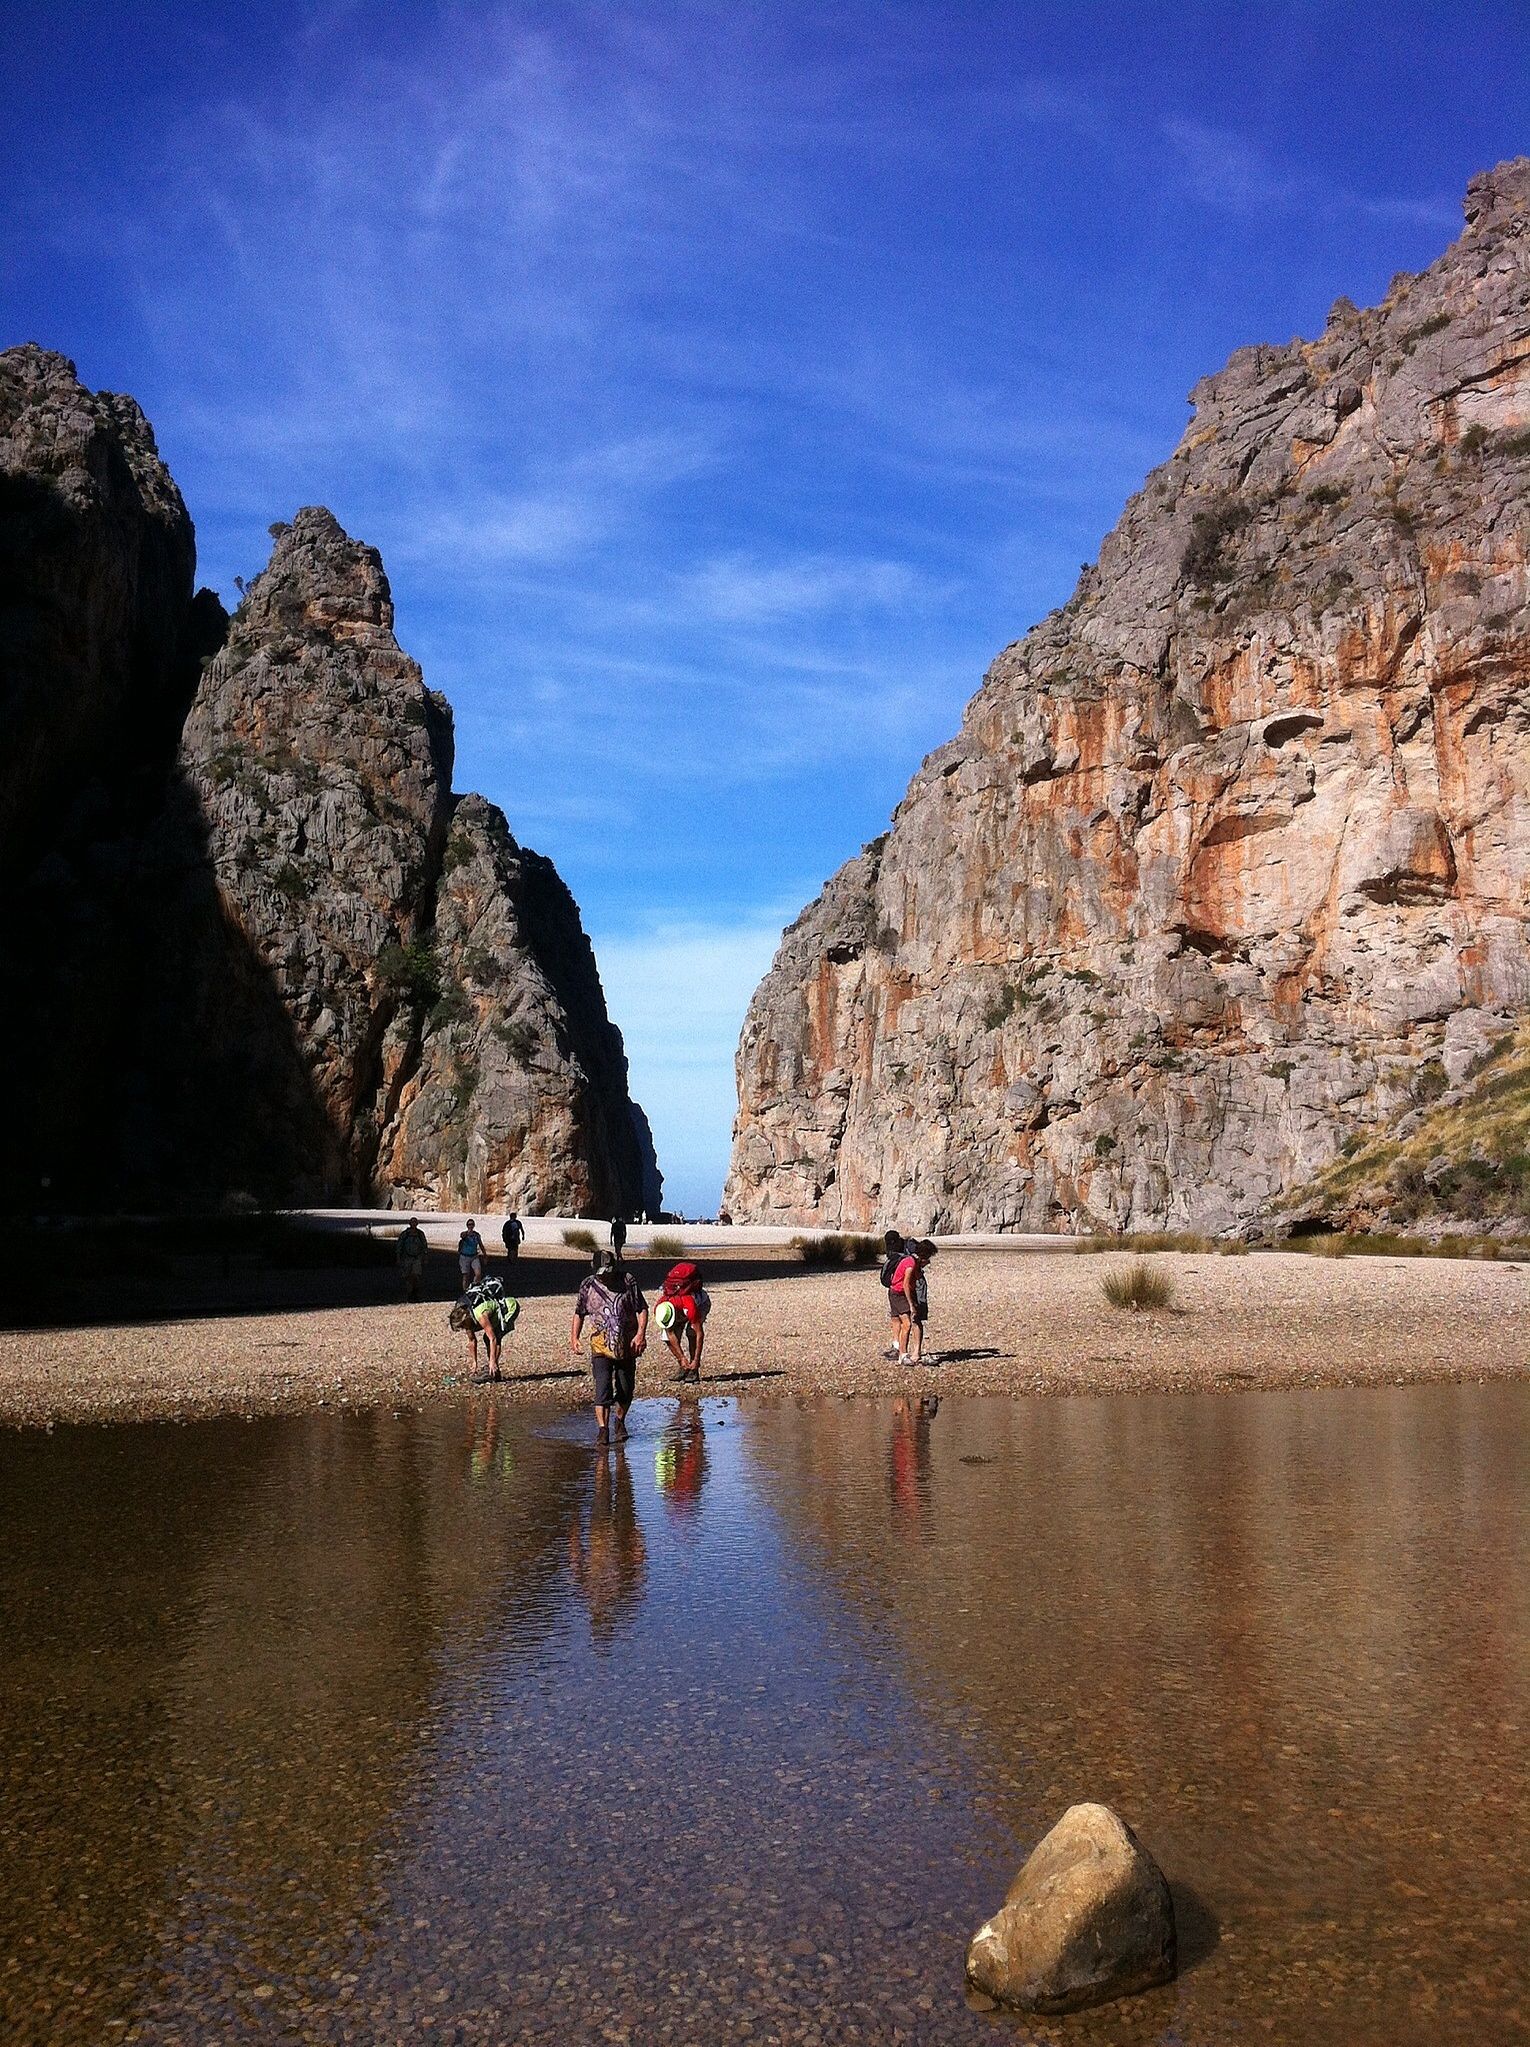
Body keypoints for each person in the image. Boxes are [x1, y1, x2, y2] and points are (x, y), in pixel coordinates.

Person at [571, 1250, 648, 1446]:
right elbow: (579, 1313)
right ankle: (603, 1430)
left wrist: (641, 1334)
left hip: (627, 1344)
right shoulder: (588, 1285)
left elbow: (641, 1308)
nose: (604, 1276)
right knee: (602, 1389)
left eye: (607, 1272)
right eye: (600, 1272)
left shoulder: (628, 1281)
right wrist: (574, 1337)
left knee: (625, 1388)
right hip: (600, 1346)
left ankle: (620, 1422)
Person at [449, 1279, 519, 1382]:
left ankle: (493, 1369)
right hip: (495, 1315)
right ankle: (493, 1370)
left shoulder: (480, 1315)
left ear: (465, 1319)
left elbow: (493, 1339)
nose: (464, 1328)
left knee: (492, 1337)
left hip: (509, 1308)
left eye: (462, 1326)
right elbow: (472, 1341)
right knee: (488, 1338)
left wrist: (492, 1361)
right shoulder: (467, 1321)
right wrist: (474, 1364)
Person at [655, 1260, 709, 1383]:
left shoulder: (689, 1305)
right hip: (679, 1310)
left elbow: (699, 1334)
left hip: (701, 1304)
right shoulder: (661, 1308)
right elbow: (669, 1333)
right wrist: (682, 1357)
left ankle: (694, 1371)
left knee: (692, 1333)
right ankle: (683, 1365)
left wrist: (696, 1360)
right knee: (667, 1338)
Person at [889, 1238, 936, 1364]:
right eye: (928, 1258)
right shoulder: (910, 1265)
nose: (929, 1261)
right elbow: (905, 1285)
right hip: (898, 1295)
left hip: (899, 1293)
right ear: (923, 1256)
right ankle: (903, 1355)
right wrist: (911, 1305)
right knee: (907, 1324)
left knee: (912, 1322)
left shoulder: (914, 1263)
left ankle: (912, 1353)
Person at [878, 1229, 907, 1360]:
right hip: (901, 1289)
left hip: (893, 1289)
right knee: (901, 1318)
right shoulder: (903, 1252)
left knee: (896, 1318)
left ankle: (898, 1347)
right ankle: (900, 1348)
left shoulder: (892, 1254)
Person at [396, 1216, 428, 1301]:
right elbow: (399, 1246)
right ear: (409, 1223)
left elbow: (424, 1246)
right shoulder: (405, 1234)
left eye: (415, 1222)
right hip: (407, 1258)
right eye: (412, 1222)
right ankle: (409, 1294)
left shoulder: (420, 1234)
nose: (413, 1224)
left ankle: (415, 1292)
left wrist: (425, 1258)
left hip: (417, 1258)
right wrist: (398, 1258)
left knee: (416, 1276)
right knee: (407, 1277)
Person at [458, 1218, 485, 1288]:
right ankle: (465, 1290)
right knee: (466, 1275)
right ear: (467, 1225)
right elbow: (462, 1236)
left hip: (474, 1256)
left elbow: (481, 1244)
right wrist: (467, 1233)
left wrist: (485, 1254)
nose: (471, 1226)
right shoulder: (465, 1234)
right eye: (469, 1224)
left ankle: (473, 1286)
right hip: (465, 1256)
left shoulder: (476, 1235)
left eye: (472, 1224)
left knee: (478, 1274)